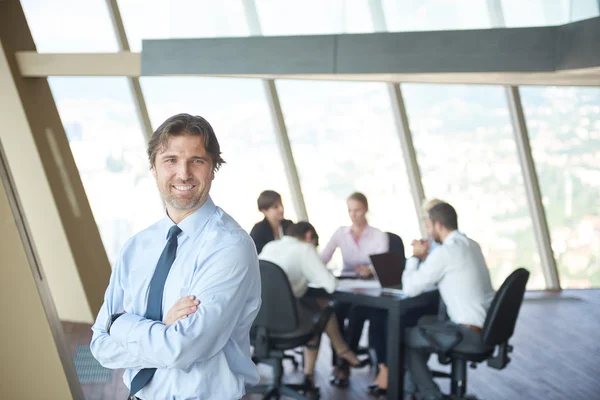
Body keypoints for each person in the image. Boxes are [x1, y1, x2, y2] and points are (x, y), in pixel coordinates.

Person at [90, 113, 261, 400]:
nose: (183, 173)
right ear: (154, 168)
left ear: (212, 169)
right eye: (170, 160)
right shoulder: (136, 247)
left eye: (197, 160)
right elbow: (99, 346)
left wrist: (119, 323)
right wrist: (160, 330)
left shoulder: (230, 247)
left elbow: (182, 348)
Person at [402, 202, 495, 400]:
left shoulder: (444, 253)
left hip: (466, 334)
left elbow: (409, 288)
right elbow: (448, 270)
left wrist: (414, 257)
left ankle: (430, 396)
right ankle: (410, 392)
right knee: (422, 323)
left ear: (438, 226)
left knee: (404, 337)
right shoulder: (471, 245)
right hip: (487, 330)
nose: (427, 231)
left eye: (428, 226)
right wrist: (428, 258)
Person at [259, 221, 367, 387]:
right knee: (323, 313)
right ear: (309, 236)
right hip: (287, 324)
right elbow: (330, 285)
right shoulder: (304, 248)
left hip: (259, 321)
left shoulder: (271, 246)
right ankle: (340, 352)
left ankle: (312, 374)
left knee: (316, 307)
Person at [367, 198, 446, 395]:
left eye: (427, 219)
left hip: (433, 303)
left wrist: (417, 258)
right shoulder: (431, 245)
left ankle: (397, 377)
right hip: (420, 294)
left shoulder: (445, 249)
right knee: (378, 315)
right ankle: (386, 368)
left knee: (393, 322)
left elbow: (420, 283)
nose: (425, 224)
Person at [320, 192, 389, 386]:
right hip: (348, 287)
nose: (354, 215)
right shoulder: (341, 233)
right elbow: (323, 259)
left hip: (372, 289)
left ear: (366, 209)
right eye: (350, 210)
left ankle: (344, 364)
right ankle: (342, 362)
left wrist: (370, 269)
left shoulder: (378, 236)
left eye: (357, 210)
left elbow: (383, 265)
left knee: (356, 313)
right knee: (336, 314)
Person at [250, 190, 293, 254]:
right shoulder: (258, 230)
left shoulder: (289, 224)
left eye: (281, 205)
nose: (281, 209)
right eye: (275, 207)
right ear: (264, 211)